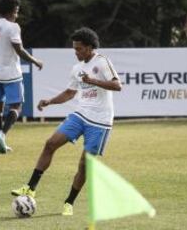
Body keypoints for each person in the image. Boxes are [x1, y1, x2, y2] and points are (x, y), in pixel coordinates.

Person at [11, 27, 122, 215]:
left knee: (84, 165)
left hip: (100, 122)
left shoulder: (102, 62)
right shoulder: (77, 69)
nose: (76, 52)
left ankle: (69, 202)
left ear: (89, 47)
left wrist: (93, 81)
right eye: (74, 49)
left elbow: (117, 85)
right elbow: (70, 93)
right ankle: (31, 187)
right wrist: (50, 101)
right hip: (80, 114)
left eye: (79, 49)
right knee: (50, 144)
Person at [0, 0, 43, 154]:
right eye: (16, 11)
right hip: (11, 72)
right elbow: (19, 50)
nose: (16, 15)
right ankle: (2, 134)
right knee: (16, 106)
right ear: (10, 12)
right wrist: (35, 61)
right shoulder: (13, 27)